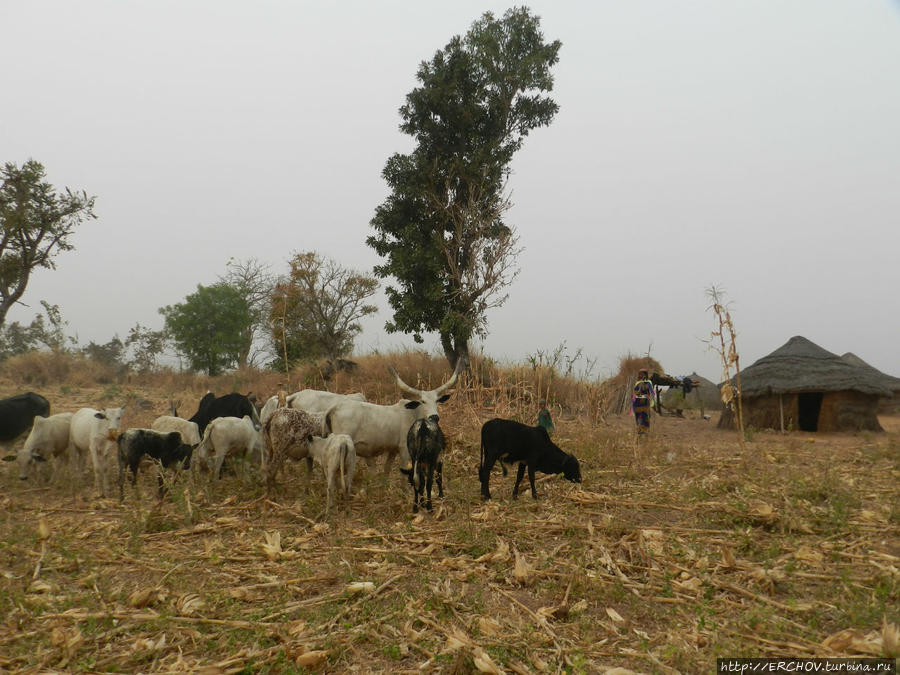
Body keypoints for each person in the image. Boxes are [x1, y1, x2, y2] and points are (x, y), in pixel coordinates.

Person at [632, 368, 655, 435]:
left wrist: (652, 401)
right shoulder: (637, 383)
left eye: (642, 374)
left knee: (645, 416)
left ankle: (645, 431)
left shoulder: (648, 382)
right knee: (638, 416)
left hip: (645, 402)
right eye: (640, 374)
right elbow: (634, 394)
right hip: (637, 403)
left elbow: (652, 392)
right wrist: (633, 404)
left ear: (645, 375)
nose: (641, 375)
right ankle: (639, 430)